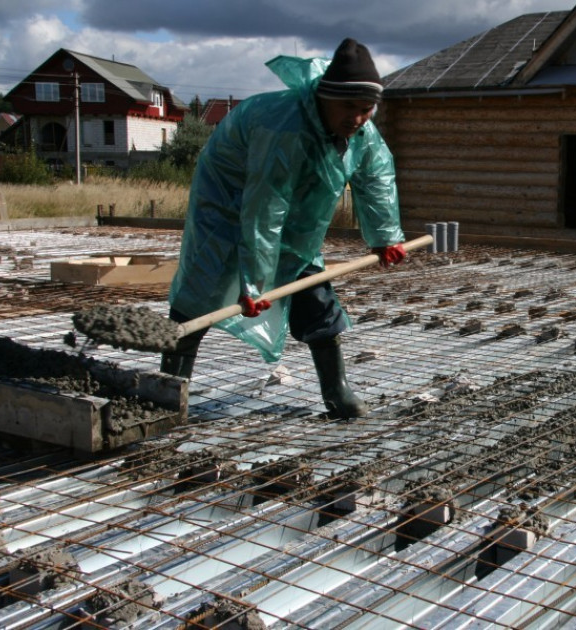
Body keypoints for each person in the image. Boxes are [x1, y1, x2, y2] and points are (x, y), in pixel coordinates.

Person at [161, 38, 406, 419]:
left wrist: (385, 237)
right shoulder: (285, 126)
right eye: (349, 107)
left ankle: (336, 390)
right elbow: (263, 209)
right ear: (325, 97)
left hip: (294, 207)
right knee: (203, 287)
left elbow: (377, 178)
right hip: (230, 197)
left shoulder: (360, 131)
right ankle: (169, 391)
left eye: (366, 109)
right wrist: (255, 284)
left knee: (308, 278)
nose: (358, 118)